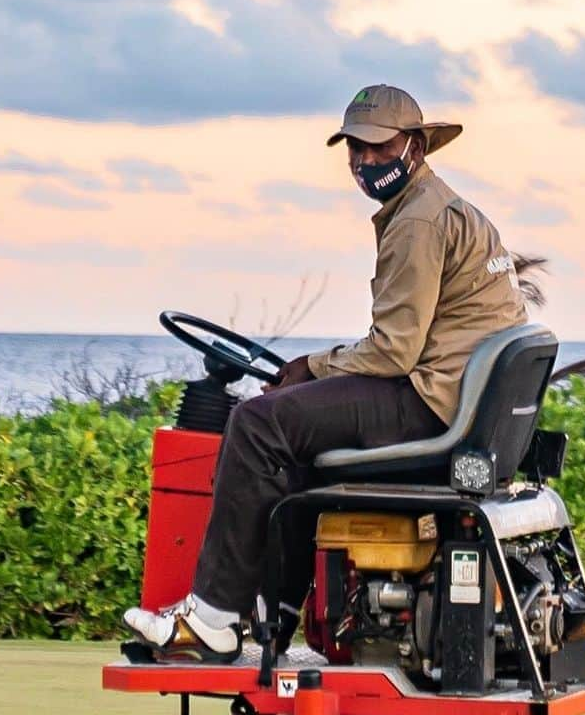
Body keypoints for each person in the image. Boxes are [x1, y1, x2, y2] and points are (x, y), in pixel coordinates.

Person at [124, 84, 528, 662]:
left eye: (378, 148)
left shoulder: (418, 222)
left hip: (428, 402)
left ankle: (212, 616)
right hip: (454, 400)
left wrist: (310, 367)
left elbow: (393, 354)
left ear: (413, 145)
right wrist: (314, 375)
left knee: (257, 423)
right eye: (355, 151)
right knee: (291, 442)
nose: (365, 161)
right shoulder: (440, 208)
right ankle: (271, 627)